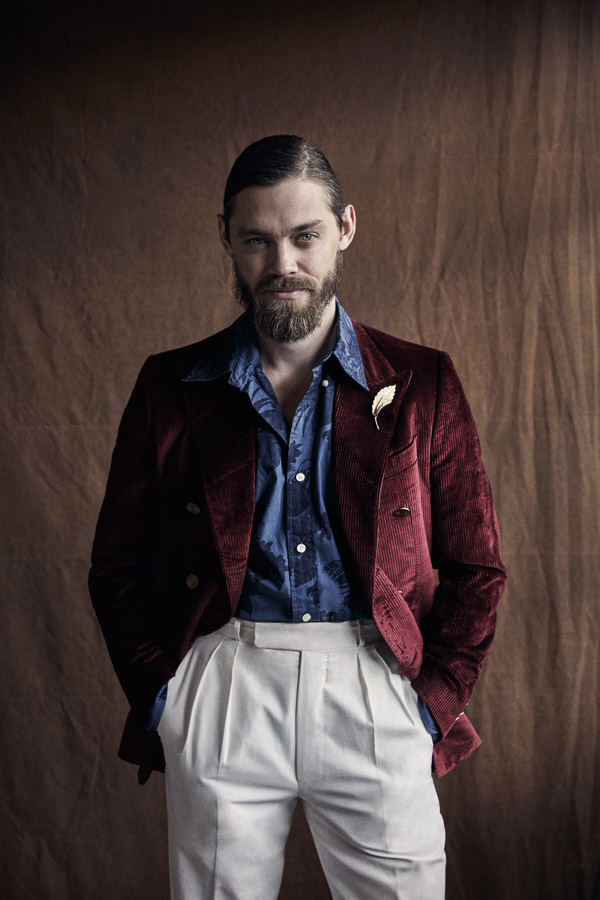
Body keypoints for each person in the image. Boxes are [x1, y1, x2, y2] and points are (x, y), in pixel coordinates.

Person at [89, 134, 506, 900]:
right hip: (222, 686)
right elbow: (116, 562)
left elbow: (477, 565)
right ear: (227, 239)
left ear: (344, 227)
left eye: (304, 235)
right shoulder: (170, 386)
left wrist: (432, 701)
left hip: (376, 683)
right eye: (257, 239)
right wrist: (166, 696)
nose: (283, 263)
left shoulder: (422, 381)